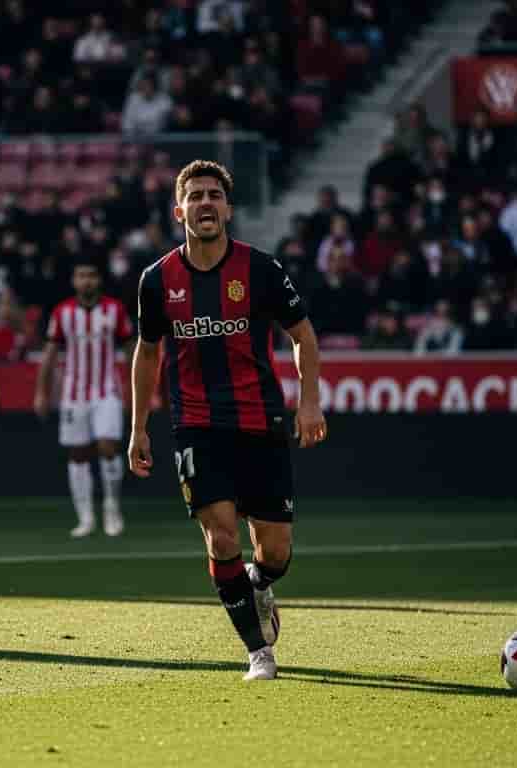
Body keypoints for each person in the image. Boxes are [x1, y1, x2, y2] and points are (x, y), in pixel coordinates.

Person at [128, 160, 326, 681]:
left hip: (261, 422)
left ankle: (259, 584)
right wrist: (138, 427)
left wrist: (309, 402)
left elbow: (303, 335)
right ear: (179, 211)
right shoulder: (157, 280)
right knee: (220, 536)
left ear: (228, 208)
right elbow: (147, 353)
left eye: (214, 195)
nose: (205, 203)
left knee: (275, 551)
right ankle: (259, 651)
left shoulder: (261, 269)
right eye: (195, 196)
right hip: (196, 425)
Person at [34, 259, 133, 538]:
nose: (86, 281)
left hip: (107, 391)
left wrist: (136, 390)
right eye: (81, 276)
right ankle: (86, 517)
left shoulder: (115, 310)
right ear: (74, 281)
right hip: (73, 394)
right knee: (77, 455)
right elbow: (49, 356)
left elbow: (131, 350)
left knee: (108, 447)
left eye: (91, 275)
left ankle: (112, 508)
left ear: (99, 280)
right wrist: (41, 393)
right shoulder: (62, 312)